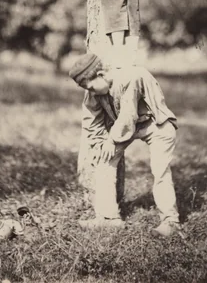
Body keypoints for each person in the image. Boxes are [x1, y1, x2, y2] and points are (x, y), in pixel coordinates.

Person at [69, 52, 182, 238]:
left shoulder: (131, 77)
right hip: (124, 128)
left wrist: (111, 140)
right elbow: (92, 122)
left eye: (90, 87)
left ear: (101, 76)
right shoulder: (93, 92)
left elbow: (128, 115)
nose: (90, 92)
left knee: (160, 170)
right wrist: (99, 144)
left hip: (156, 124)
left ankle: (171, 221)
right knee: (104, 160)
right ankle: (108, 218)